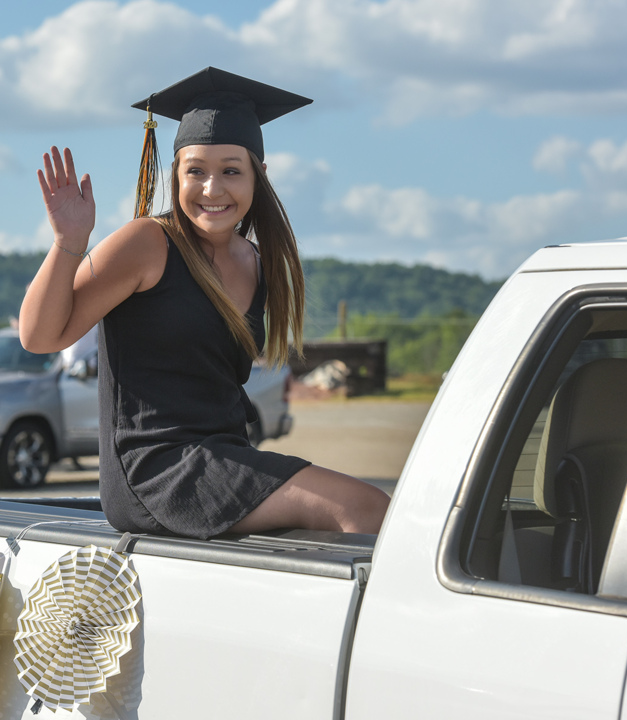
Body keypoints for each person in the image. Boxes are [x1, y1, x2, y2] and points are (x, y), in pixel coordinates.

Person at [19, 67, 390, 540]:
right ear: (176, 175)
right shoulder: (148, 243)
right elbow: (40, 337)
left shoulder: (256, 262)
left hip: (225, 458)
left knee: (350, 522)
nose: (212, 189)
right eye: (195, 171)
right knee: (364, 509)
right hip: (157, 471)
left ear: (258, 177)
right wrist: (68, 243)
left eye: (231, 171)